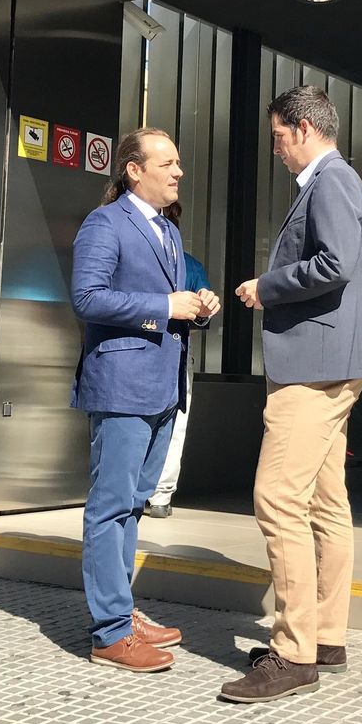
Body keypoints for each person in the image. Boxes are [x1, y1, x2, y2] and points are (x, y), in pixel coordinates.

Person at [223, 85, 362, 705]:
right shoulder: (335, 182)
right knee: (324, 501)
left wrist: (268, 286)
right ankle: (326, 635)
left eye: (276, 138)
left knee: (276, 498)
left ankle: (293, 652)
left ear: (300, 129)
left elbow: (335, 264)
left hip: (316, 365)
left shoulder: (332, 181)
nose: (275, 151)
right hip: (331, 358)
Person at [69, 127, 220, 673]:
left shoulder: (168, 232)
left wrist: (197, 306)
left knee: (133, 503)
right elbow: (87, 297)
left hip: (162, 386)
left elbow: (171, 304)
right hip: (122, 385)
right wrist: (166, 305)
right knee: (110, 507)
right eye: (169, 163)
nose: (179, 172)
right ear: (134, 169)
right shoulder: (105, 223)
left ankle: (122, 609)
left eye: (179, 163)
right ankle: (109, 632)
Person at [144, 199, 212, 520]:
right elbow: (203, 315)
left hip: (157, 348)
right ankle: (159, 494)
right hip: (175, 349)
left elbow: (203, 312)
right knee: (173, 422)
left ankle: (150, 491)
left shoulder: (187, 265)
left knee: (156, 420)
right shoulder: (190, 265)